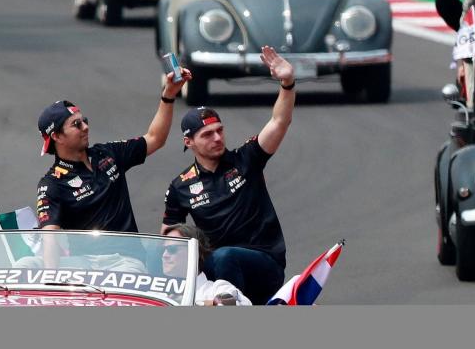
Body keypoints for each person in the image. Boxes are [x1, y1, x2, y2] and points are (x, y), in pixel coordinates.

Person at [162, 46, 294, 305]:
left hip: (264, 262)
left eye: (220, 130)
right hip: (214, 267)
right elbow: (169, 239)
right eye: (208, 134)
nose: (218, 138)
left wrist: (287, 82)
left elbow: (279, 121)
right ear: (189, 142)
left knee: (224, 256)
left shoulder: (247, 158)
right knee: (207, 266)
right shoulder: (180, 186)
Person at [33, 69, 192, 268]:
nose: (85, 127)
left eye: (85, 121)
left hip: (124, 260)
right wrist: (51, 280)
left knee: (129, 269)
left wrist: (168, 96)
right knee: (26, 263)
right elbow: (50, 237)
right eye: (76, 124)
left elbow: (154, 138)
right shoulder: (51, 183)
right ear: (56, 136)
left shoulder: (108, 154)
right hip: (83, 264)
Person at [162, 224, 252, 306]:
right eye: (163, 250)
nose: (164, 255)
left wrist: (192, 303)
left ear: (194, 252)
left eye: (172, 249)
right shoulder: (155, 292)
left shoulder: (217, 289)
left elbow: (238, 303)